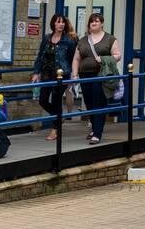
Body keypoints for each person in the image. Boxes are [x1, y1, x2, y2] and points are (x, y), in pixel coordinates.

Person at [71, 12, 121, 145]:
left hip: (101, 76)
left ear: (102, 23)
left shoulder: (110, 39)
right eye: (92, 21)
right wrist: (75, 75)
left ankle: (97, 134)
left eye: (97, 21)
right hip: (85, 76)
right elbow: (76, 58)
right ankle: (94, 128)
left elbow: (117, 55)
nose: (94, 23)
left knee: (99, 103)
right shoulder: (83, 40)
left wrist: (104, 59)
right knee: (89, 103)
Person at [31, 13, 77, 141]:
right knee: (43, 100)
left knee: (56, 100)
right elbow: (40, 56)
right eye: (58, 22)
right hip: (46, 74)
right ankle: (58, 116)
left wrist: (74, 74)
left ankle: (55, 130)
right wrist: (36, 72)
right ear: (53, 24)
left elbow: (75, 58)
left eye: (63, 22)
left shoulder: (69, 40)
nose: (61, 24)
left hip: (61, 75)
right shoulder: (47, 38)